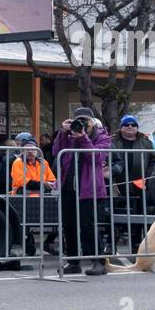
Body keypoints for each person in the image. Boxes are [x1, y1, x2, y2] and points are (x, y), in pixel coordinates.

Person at [53, 107, 111, 275]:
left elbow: (96, 157)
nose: (83, 124)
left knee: (88, 225)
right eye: (80, 121)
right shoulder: (69, 135)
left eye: (86, 121)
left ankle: (98, 261)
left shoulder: (102, 137)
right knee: (69, 226)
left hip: (89, 188)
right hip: (68, 186)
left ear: (93, 122)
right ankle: (73, 262)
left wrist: (83, 138)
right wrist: (63, 133)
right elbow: (57, 152)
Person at [108, 115, 155, 251]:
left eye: (133, 125)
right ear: (121, 127)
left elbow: (154, 160)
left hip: (140, 184)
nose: (130, 127)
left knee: (139, 214)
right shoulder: (112, 141)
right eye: (127, 124)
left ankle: (136, 244)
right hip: (117, 184)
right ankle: (112, 244)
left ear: (137, 128)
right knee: (116, 214)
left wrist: (147, 176)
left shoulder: (145, 142)